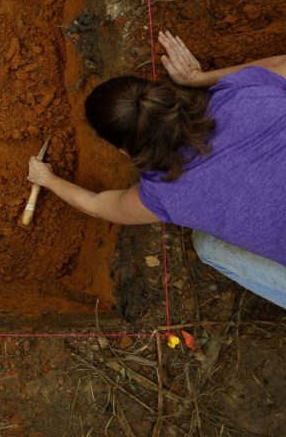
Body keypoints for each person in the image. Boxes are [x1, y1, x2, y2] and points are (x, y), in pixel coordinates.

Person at [27, 31, 286, 308]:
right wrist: (198, 79)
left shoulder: (166, 193)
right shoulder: (243, 93)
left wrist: (47, 178)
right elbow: (281, 62)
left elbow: (98, 204)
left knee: (208, 247)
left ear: (125, 151)